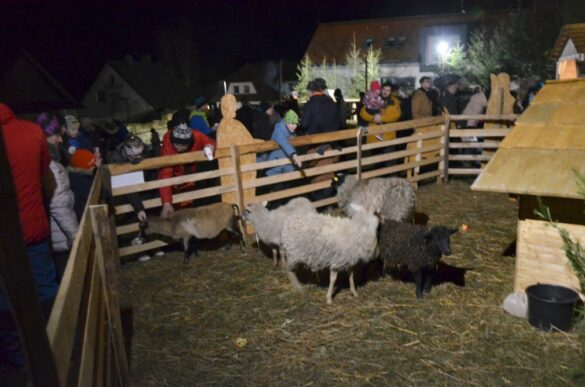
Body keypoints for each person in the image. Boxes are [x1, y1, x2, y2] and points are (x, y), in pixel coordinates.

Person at [1, 103, 59, 367]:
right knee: (45, 291)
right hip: (32, 228)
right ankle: (56, 349)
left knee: (6, 301)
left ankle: (21, 364)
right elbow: (49, 181)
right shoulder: (31, 132)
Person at [36, 112, 79, 280]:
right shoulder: (50, 166)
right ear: (47, 136)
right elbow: (58, 204)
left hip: (56, 236)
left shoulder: (49, 161)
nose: (61, 140)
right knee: (69, 280)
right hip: (61, 239)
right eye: (58, 135)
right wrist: (75, 236)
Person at [159, 120, 216, 219]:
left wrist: (210, 146)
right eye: (177, 145)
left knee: (200, 200)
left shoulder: (196, 136)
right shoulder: (167, 146)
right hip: (177, 177)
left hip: (195, 171)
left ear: (189, 142)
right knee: (182, 205)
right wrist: (166, 202)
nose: (180, 148)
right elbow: (165, 173)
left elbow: (209, 141)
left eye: (183, 145)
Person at [300, 78, 340, 202]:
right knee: (328, 172)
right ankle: (328, 199)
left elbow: (304, 124)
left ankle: (320, 201)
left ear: (311, 91)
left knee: (317, 172)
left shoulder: (310, 105)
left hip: (315, 143)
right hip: (329, 144)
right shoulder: (331, 103)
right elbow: (338, 122)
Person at [265, 110, 302, 176]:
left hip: (286, 164)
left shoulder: (289, 131)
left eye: (296, 124)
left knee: (287, 183)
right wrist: (294, 155)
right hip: (275, 164)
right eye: (293, 123)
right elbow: (283, 142)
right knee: (274, 184)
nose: (295, 126)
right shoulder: (279, 130)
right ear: (287, 122)